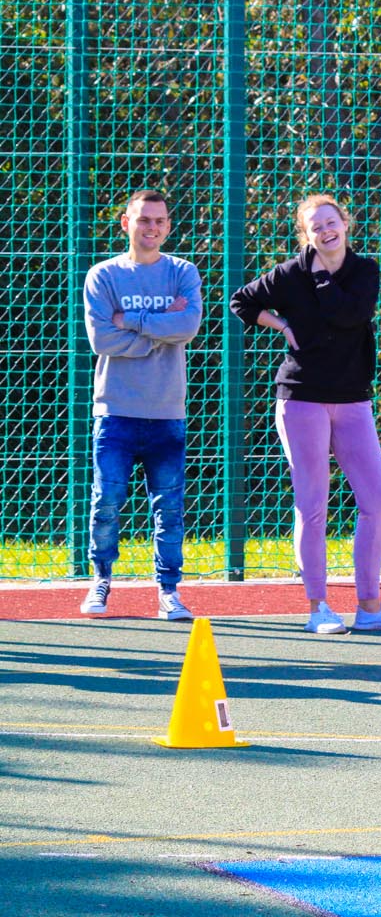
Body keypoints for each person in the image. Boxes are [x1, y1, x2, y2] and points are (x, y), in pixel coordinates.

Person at [229, 195, 381, 634]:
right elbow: (242, 302)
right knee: (312, 505)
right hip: (301, 400)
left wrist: (321, 279)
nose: (326, 231)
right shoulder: (289, 273)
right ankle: (319, 608)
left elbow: (350, 314)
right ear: (306, 234)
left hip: (353, 400)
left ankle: (370, 608)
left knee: (378, 500)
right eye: (316, 227)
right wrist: (281, 324)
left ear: (345, 223)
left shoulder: (363, 270)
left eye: (331, 223)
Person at [79, 189, 202, 621]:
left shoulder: (183, 272)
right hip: (115, 411)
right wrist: (159, 329)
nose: (152, 228)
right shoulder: (103, 275)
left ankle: (168, 590)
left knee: (169, 508)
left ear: (168, 226)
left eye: (159, 221)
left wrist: (130, 321)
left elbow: (188, 326)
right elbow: (102, 339)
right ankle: (100, 580)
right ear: (126, 224)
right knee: (106, 501)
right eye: (144, 220)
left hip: (167, 412)